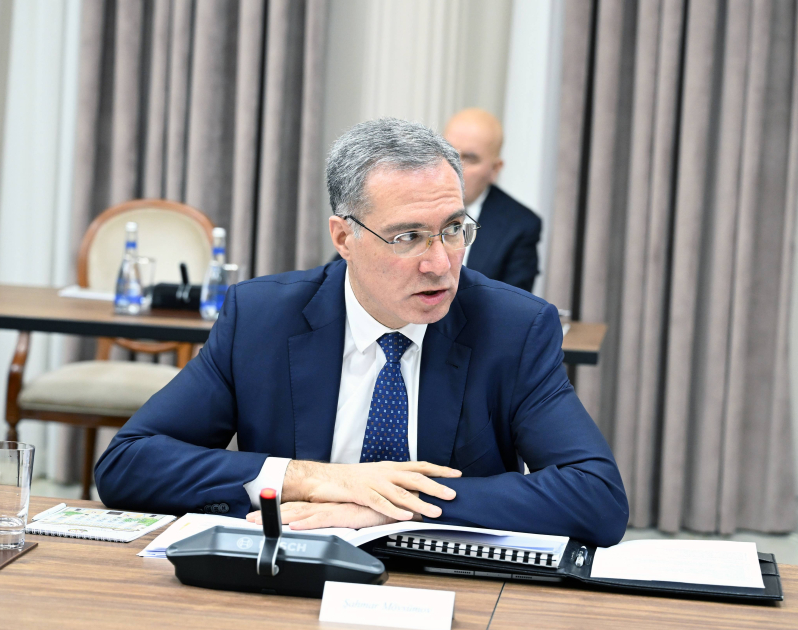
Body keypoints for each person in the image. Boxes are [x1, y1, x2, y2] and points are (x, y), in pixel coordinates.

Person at [94, 118, 628, 547]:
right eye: (408, 237)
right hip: (292, 569)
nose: (440, 263)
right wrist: (313, 479)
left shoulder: (513, 328)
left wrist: (388, 505)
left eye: (452, 230)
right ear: (344, 237)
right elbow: (128, 465)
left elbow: (597, 498)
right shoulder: (261, 318)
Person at [443, 108, 541, 292]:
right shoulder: (408, 202)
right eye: (448, 153)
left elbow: (511, 303)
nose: (454, 166)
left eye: (469, 158)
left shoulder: (520, 225)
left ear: (495, 169)